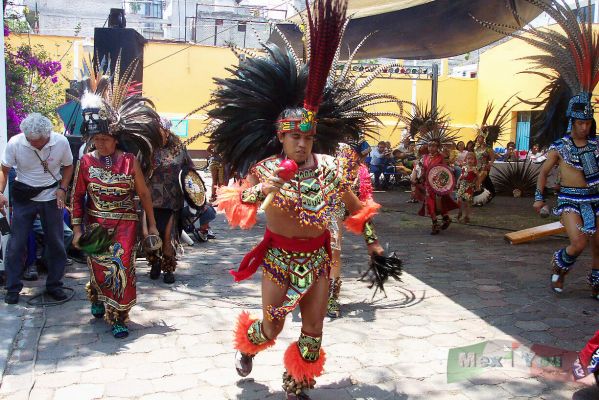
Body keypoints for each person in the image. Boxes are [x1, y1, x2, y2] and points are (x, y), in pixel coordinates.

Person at [206, 2, 403, 395]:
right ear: (281, 136)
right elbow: (236, 206)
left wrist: (374, 244)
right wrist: (263, 189)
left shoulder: (330, 168)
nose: (301, 143)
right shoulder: (265, 169)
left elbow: (356, 208)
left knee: (314, 330)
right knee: (271, 327)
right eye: (295, 136)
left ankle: (297, 383)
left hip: (318, 259)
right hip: (279, 259)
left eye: (308, 137)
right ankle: (249, 345)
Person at [71, 76, 161, 338]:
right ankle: (97, 295)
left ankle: (119, 315)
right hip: (96, 224)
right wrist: (77, 230)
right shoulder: (86, 162)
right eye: (96, 139)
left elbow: (143, 194)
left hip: (125, 223)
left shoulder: (129, 161)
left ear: (116, 139)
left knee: (121, 266)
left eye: (105, 139)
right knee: (98, 265)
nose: (100, 143)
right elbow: (76, 198)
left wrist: (151, 225)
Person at [0, 113, 74, 304]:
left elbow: (68, 166)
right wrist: (0, 192)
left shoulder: (61, 142)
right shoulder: (16, 143)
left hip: (51, 196)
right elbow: (4, 169)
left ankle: (55, 284)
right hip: (24, 196)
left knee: (56, 241)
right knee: (16, 244)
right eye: (31, 141)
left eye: (38, 141)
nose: (34, 145)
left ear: (48, 135)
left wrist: (62, 189)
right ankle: (13, 287)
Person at [145, 119, 196, 283]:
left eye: (162, 130)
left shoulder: (179, 149)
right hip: (151, 200)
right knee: (152, 235)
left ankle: (168, 267)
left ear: (167, 131)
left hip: (173, 201)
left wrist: (196, 194)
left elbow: (190, 171)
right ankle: (154, 263)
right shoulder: (147, 149)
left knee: (169, 236)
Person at [419, 138, 459, 234]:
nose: (431, 148)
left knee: (439, 204)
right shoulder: (425, 157)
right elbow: (424, 169)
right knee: (429, 203)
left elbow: (444, 170)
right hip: (428, 184)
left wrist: (442, 184)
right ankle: (435, 223)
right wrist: (420, 176)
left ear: (437, 147)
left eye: (433, 146)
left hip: (438, 185)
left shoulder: (441, 157)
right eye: (429, 146)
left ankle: (445, 218)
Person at [456, 152, 480, 223]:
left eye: (472, 159)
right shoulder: (464, 167)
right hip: (462, 186)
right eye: (468, 158)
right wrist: (458, 182)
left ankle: (467, 216)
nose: (470, 160)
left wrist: (478, 185)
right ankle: (460, 212)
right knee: (459, 200)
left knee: (467, 202)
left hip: (469, 187)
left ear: (474, 160)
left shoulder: (475, 169)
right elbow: (461, 176)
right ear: (466, 159)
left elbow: (478, 178)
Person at [474, 134, 496, 200]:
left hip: (484, 167)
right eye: (478, 137)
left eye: (480, 137)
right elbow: (475, 158)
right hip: (477, 166)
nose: (478, 139)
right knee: (485, 181)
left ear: (484, 138)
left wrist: (490, 164)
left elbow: (493, 157)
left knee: (481, 181)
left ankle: (485, 195)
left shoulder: (488, 148)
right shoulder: (476, 148)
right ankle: (490, 193)